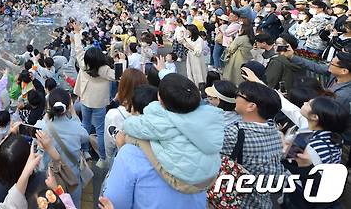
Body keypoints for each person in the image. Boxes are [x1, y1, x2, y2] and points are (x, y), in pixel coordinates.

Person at [122, 73, 224, 187]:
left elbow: (129, 126)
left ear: (160, 99)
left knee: (133, 136)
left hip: (184, 181)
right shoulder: (209, 113)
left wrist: (131, 117)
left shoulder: (161, 120)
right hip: (212, 174)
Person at [223, 81, 284, 209]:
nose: (235, 98)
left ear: (251, 106)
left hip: (237, 202)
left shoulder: (234, 133)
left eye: (238, 95)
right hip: (263, 202)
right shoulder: (275, 133)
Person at [35, 88, 90, 207]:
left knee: (53, 203)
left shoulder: (42, 127)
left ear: (49, 106)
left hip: (50, 176)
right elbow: (86, 137)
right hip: (72, 174)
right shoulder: (76, 127)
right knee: (74, 203)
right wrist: (74, 114)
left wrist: (47, 114)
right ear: (69, 105)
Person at [71, 22, 114, 168]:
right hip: (99, 103)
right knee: (101, 130)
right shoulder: (105, 70)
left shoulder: (84, 64)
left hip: (85, 100)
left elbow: (78, 50)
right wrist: (120, 59)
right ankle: (102, 159)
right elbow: (119, 75)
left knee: (85, 126)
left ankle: (85, 151)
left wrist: (76, 33)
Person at [104, 69, 148, 161]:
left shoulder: (114, 115)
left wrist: (109, 159)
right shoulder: (151, 111)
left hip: (123, 159)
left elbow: (109, 145)